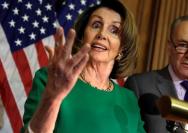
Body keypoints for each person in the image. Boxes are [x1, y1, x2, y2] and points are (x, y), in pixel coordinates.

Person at [21, 0, 145, 133]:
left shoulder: (129, 100)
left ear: (122, 48)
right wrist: (53, 98)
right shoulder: (50, 79)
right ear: (82, 36)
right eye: (96, 25)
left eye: (114, 30)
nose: (102, 34)